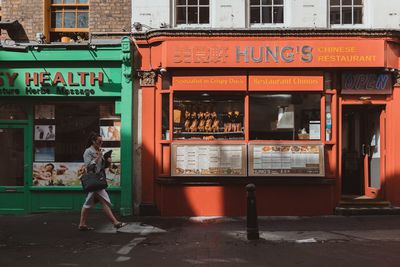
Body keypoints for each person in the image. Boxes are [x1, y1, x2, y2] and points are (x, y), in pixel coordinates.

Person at [78, 132, 127, 231]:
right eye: (99, 141)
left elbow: (102, 167)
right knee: (101, 202)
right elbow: (88, 166)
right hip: (93, 181)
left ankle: (82, 224)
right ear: (93, 141)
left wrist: (107, 161)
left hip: (98, 180)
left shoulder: (99, 150)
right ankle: (115, 222)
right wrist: (98, 157)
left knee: (90, 203)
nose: (101, 143)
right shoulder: (88, 152)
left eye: (102, 141)